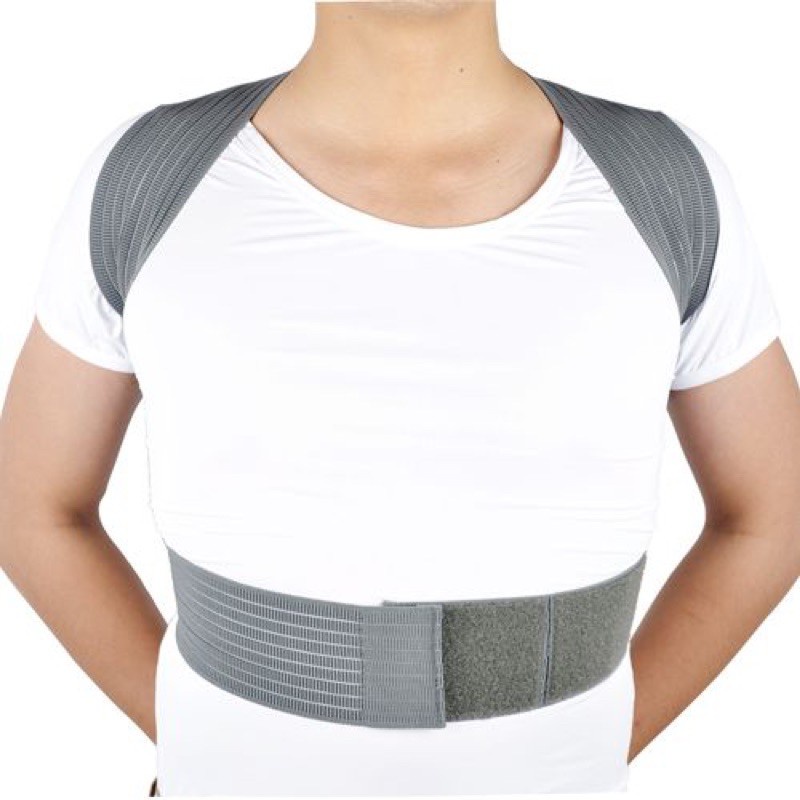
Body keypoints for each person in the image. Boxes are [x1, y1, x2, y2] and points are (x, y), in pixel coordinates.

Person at [1, 1, 799, 796]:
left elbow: (776, 512)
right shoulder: (150, 177)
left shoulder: (663, 183)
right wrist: (198, 746)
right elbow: (27, 505)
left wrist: (597, 748)